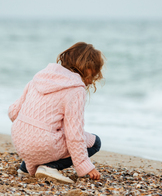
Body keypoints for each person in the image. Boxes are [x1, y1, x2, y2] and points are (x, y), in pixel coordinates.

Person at [8, 42, 105, 184]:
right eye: (94, 74)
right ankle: (49, 167)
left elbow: (13, 112)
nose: (91, 81)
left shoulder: (39, 78)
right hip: (44, 145)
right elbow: (74, 134)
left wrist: (30, 128)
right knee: (95, 142)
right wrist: (85, 166)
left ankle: (26, 167)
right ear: (88, 68)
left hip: (19, 142)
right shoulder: (76, 89)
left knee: (48, 129)